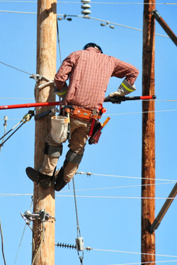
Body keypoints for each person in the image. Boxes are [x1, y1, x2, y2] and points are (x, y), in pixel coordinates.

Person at [26, 42, 139, 191]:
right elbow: (134, 72)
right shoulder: (110, 61)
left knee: (54, 141)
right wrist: (120, 93)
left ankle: (46, 176)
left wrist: (65, 95)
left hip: (70, 112)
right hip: (90, 118)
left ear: (87, 48)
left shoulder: (77, 55)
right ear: (100, 52)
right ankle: (62, 181)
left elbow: (60, 79)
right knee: (77, 150)